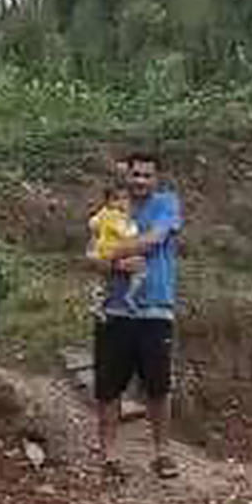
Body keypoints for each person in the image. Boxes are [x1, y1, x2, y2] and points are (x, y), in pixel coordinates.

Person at [89, 145, 183, 480]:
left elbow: (154, 240)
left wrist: (110, 252)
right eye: (135, 174)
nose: (140, 180)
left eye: (147, 175)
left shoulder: (167, 204)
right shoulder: (112, 209)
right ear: (125, 175)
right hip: (114, 310)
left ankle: (162, 453)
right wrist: (114, 261)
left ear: (157, 178)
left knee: (158, 386)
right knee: (108, 387)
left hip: (155, 309)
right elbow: (90, 257)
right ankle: (109, 457)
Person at [88, 182, 147, 316]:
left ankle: (97, 303)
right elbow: (126, 233)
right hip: (114, 251)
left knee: (103, 280)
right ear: (108, 201)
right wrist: (133, 227)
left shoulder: (103, 213)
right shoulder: (116, 216)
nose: (121, 203)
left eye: (125, 198)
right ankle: (131, 295)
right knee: (141, 269)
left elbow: (93, 224)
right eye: (116, 199)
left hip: (103, 250)